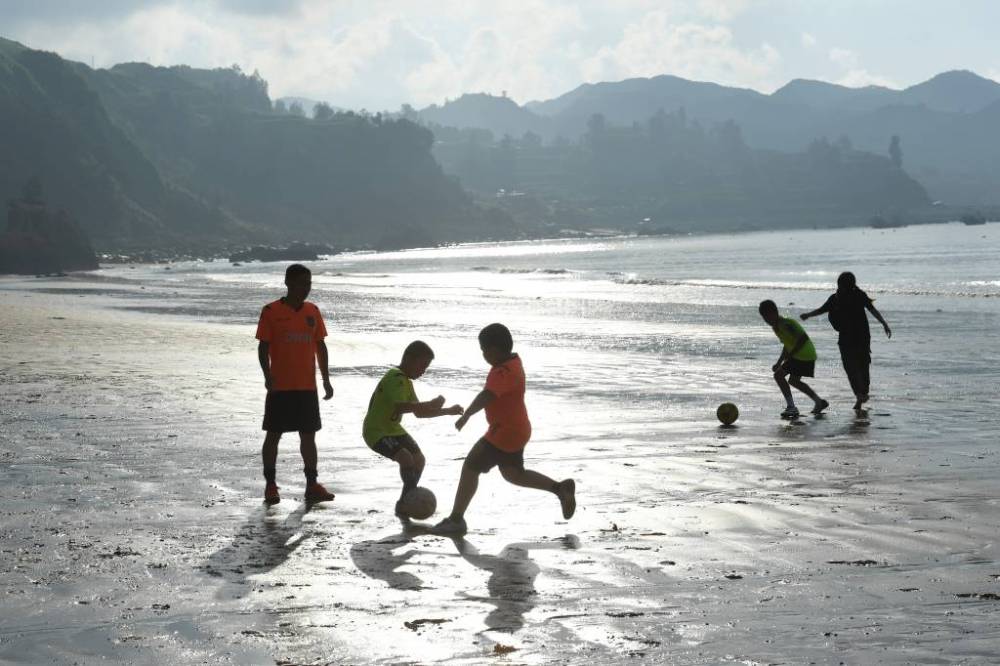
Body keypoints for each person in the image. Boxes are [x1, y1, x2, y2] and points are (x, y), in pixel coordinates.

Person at [433, 323, 576, 536]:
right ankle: (559, 488)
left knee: (471, 466)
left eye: (484, 350)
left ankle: (456, 520)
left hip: (504, 432)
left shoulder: (503, 371)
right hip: (517, 429)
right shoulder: (513, 361)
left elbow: (487, 395)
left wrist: (467, 415)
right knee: (513, 474)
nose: (483, 355)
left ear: (494, 349)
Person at [255, 263, 335, 505]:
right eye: (301, 283)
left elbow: (320, 346)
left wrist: (326, 380)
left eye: (309, 283)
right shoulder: (270, 311)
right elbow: (263, 346)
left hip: (306, 387)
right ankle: (270, 485)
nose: (306, 288)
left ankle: (312, 484)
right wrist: (267, 375)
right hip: (280, 387)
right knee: (273, 435)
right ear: (288, 283)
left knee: (308, 436)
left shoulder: (313, 311)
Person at [362, 340, 464, 517]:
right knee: (406, 458)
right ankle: (407, 502)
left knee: (419, 459)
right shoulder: (395, 377)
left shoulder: (407, 382)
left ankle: (405, 501)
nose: (424, 371)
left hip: (393, 428)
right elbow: (400, 407)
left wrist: (448, 411)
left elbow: (420, 413)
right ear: (409, 359)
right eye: (422, 365)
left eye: (426, 367)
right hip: (375, 430)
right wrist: (429, 403)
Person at [801, 271, 891, 410]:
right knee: (857, 367)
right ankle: (861, 396)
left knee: (857, 367)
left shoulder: (847, 296)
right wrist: (884, 324)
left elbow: (871, 309)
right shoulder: (848, 296)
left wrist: (884, 323)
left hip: (854, 338)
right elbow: (823, 310)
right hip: (857, 337)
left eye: (840, 284)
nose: (839, 287)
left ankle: (861, 396)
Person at [758, 299, 829, 419]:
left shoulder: (786, 324)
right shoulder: (776, 327)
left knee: (778, 376)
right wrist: (779, 362)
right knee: (793, 381)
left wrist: (791, 356)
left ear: (775, 312)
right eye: (764, 318)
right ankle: (818, 402)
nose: (767, 320)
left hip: (802, 354)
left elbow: (802, 338)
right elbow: (787, 344)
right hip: (806, 355)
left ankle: (791, 407)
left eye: (768, 317)